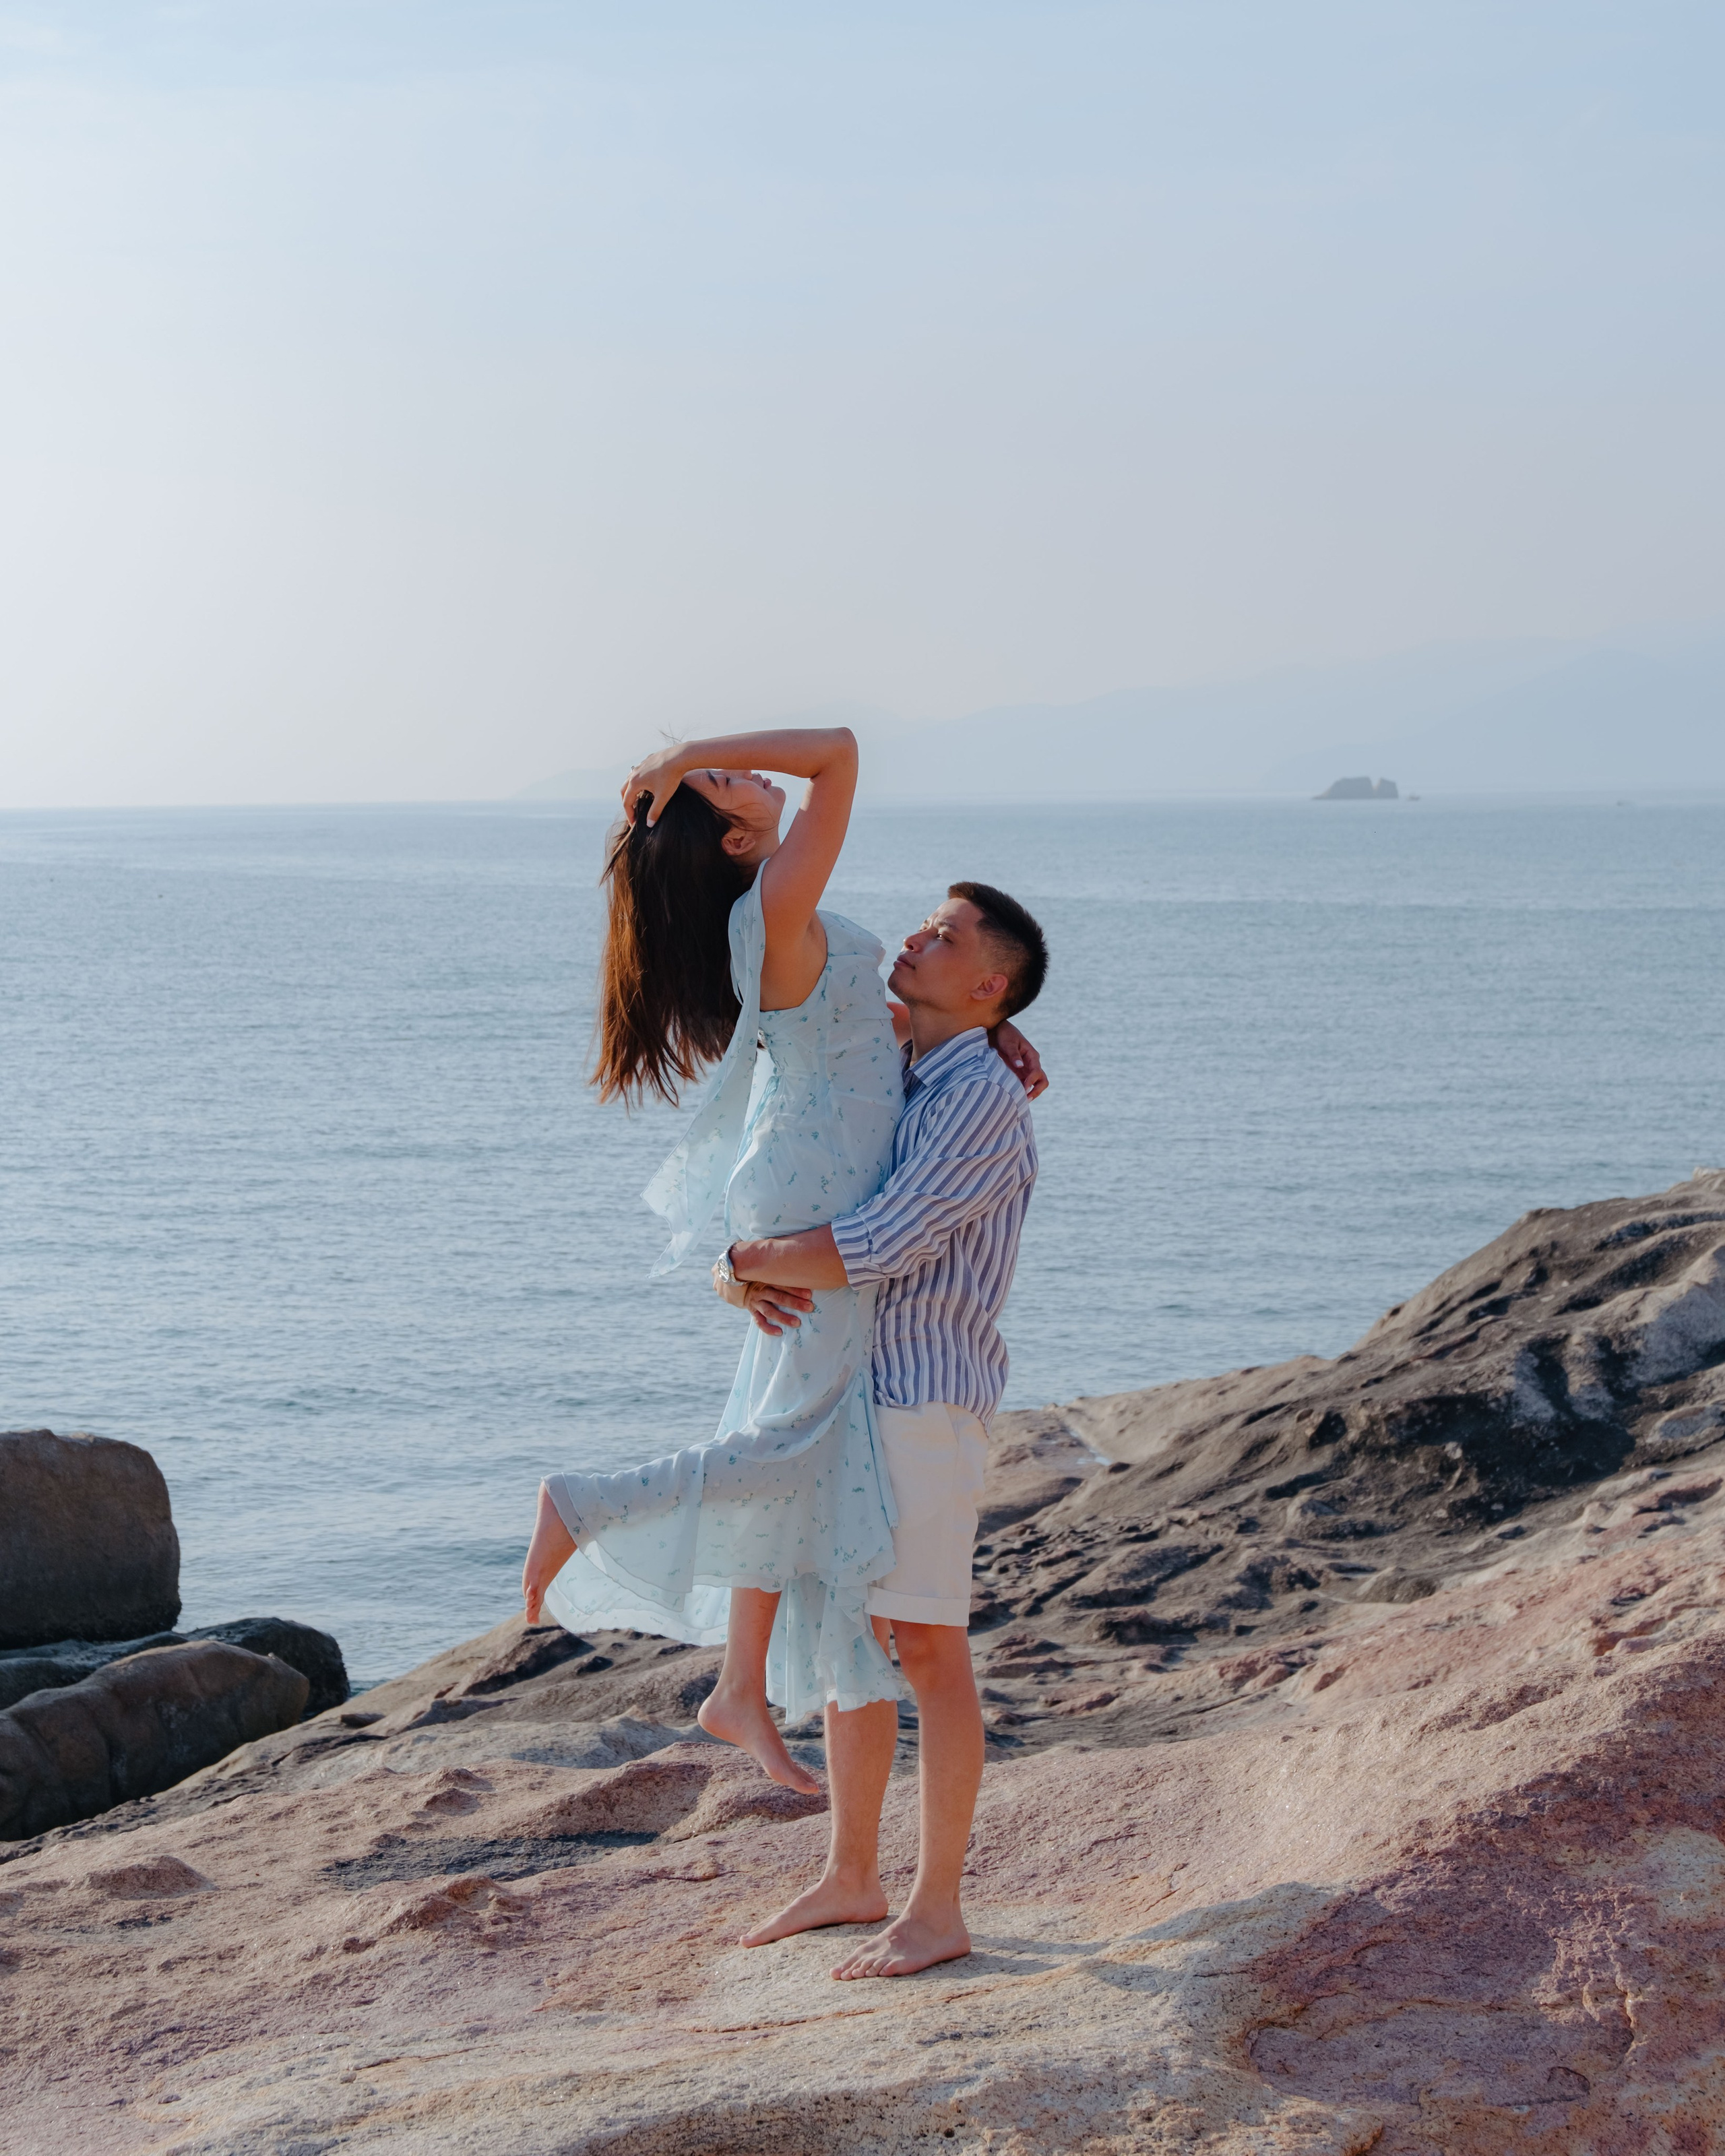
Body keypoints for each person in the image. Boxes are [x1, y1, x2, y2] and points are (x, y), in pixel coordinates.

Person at [520, 728, 1046, 1798]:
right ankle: (586, 1504)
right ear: (730, 834)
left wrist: (991, 1037)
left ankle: (743, 1686)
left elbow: (878, 1034)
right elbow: (843, 754)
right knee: (797, 1441)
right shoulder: (772, 906)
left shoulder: (777, 915)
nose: (754, 779)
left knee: (789, 1439)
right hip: (817, 1199)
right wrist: (685, 758)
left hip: (810, 1177)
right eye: (729, 785)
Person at [719, 881, 1047, 1979]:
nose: (915, 937)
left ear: (990, 985)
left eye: (944, 937)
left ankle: (938, 1908)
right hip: (864, 1394)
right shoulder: (927, 1062)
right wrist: (746, 1273)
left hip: (922, 1402)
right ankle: (851, 1875)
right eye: (924, 923)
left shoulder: (981, 1098)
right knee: (847, 1639)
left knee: (930, 1652)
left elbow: (882, 1240)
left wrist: (740, 1263)